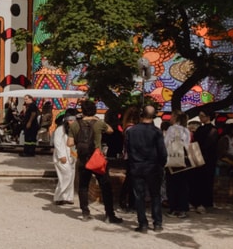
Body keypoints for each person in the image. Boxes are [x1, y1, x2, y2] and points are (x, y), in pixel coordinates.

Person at [67, 99, 123, 224]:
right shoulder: (99, 123)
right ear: (95, 111)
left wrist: (79, 141)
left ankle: (85, 213)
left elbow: (69, 143)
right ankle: (109, 214)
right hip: (97, 158)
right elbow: (110, 130)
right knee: (105, 186)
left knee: (83, 186)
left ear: (82, 111)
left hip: (83, 159)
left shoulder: (75, 125)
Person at [125, 105, 168, 233]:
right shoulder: (157, 132)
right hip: (153, 167)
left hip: (137, 166)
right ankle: (157, 223)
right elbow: (162, 151)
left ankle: (143, 224)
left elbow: (128, 150)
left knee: (139, 196)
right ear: (154, 116)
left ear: (141, 114)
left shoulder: (131, 131)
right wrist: (162, 164)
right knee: (155, 195)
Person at [164, 111, 191, 219]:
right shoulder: (186, 130)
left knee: (172, 185)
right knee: (183, 186)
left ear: (175, 117)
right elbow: (187, 144)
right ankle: (183, 208)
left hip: (173, 160)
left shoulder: (171, 129)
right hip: (183, 161)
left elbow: (166, 143)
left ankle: (173, 208)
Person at [190, 110, 218, 213]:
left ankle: (201, 203)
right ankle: (200, 202)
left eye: (202, 116)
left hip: (205, 158)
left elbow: (207, 144)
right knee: (200, 181)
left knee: (203, 181)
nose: (200, 117)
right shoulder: (204, 129)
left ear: (208, 117)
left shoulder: (211, 130)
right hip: (204, 158)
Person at [52, 108, 76, 205]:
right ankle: (58, 196)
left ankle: (68, 197)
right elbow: (57, 143)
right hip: (62, 157)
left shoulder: (74, 129)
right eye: (70, 120)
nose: (72, 122)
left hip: (72, 156)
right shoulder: (60, 129)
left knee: (71, 177)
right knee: (67, 175)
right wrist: (61, 155)